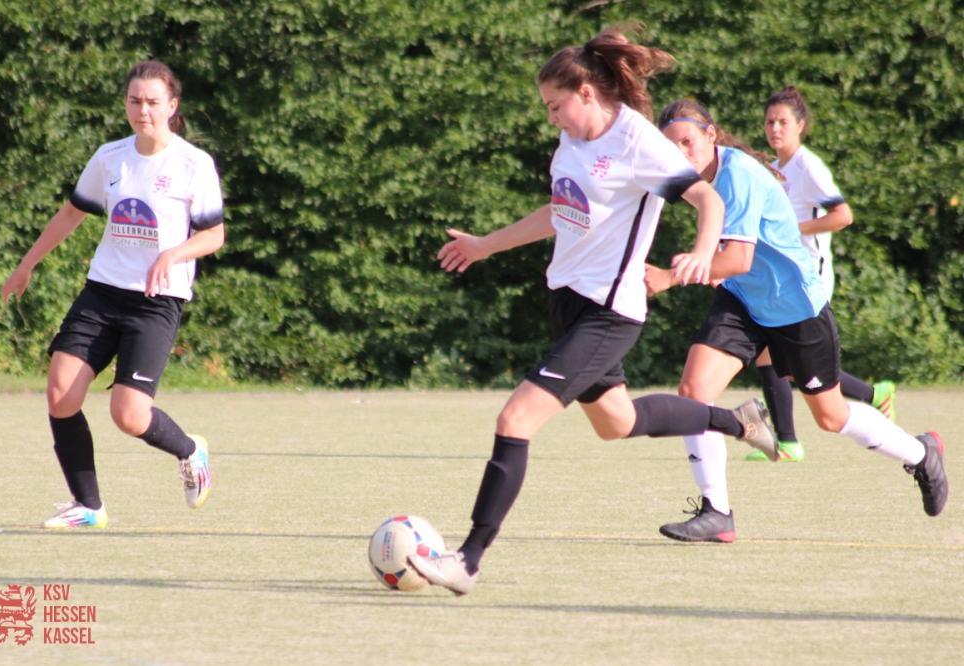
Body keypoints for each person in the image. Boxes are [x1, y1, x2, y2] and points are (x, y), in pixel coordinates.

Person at [406, 27, 779, 596]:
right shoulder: (572, 143)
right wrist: (485, 245)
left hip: (610, 313)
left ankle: (468, 560)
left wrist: (704, 252)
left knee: (515, 420)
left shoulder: (637, 141)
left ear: (586, 92)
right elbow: (561, 211)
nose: (552, 118)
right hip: (567, 303)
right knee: (617, 424)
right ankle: (739, 422)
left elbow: (707, 197)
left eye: (555, 106)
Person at [646, 99, 947, 542]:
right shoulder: (693, 177)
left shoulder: (739, 175)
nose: (680, 153)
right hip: (744, 300)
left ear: (710, 134)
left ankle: (921, 453)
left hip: (795, 308)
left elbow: (739, 258)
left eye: (687, 142)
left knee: (831, 416)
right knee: (695, 391)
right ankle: (717, 512)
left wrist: (670, 276)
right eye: (671, 146)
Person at [1, 60, 224, 528]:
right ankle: (89, 507)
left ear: (172, 106)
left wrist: (173, 254)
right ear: (125, 103)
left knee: (128, 415)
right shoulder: (111, 156)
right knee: (60, 393)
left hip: (157, 302)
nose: (143, 110)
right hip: (102, 293)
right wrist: (27, 264)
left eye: (153, 102)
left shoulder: (193, 164)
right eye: (135, 101)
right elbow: (72, 213)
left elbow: (213, 235)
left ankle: (190, 450)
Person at [747, 86, 895, 463]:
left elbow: (842, 216)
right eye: (769, 121)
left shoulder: (807, 167)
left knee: (779, 358)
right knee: (781, 361)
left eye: (783, 122)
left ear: (800, 125)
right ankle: (869, 396)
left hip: (808, 278)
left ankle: (789, 442)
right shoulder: (774, 168)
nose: (774, 128)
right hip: (783, 278)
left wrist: (792, 231)